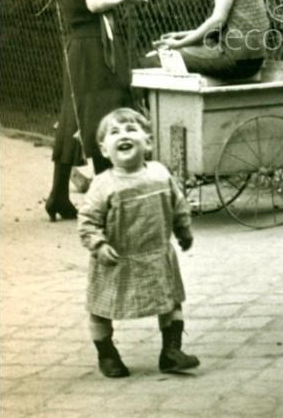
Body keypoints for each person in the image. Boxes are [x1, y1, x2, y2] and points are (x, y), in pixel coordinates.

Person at [47, 0, 148, 222]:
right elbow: (94, 3)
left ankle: (59, 196)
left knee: (76, 114)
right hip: (91, 43)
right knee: (101, 111)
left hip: (79, 42)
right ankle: (110, 198)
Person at [78, 107, 199, 378]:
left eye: (132, 130)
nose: (124, 135)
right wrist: (98, 244)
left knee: (170, 301)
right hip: (115, 260)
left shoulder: (159, 174)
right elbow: (87, 220)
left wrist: (184, 231)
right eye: (115, 132)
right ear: (104, 149)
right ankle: (107, 354)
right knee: (101, 308)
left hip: (157, 257)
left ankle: (171, 351)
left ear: (148, 142)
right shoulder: (103, 184)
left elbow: (178, 204)